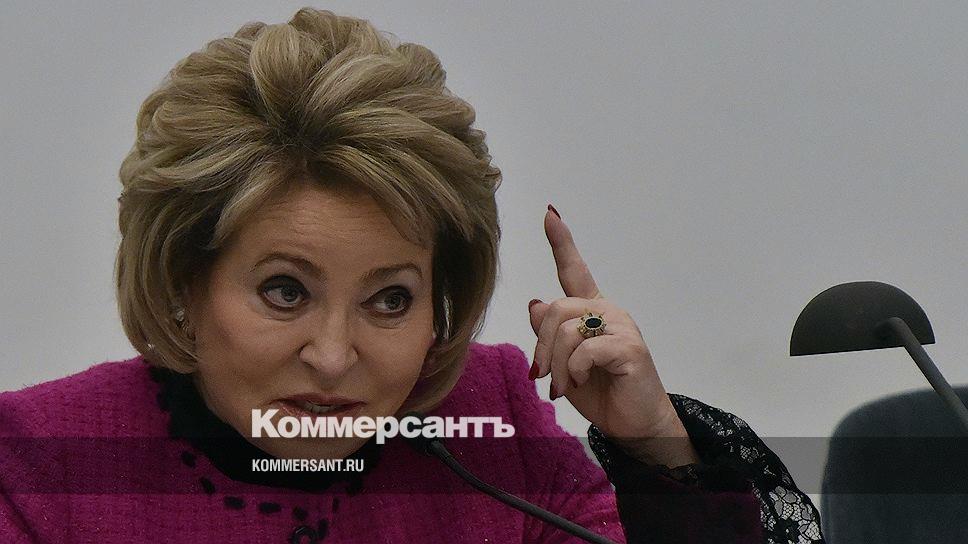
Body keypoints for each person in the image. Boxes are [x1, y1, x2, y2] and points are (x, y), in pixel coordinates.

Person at [0, 7, 823, 543]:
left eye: (390, 299)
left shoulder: (490, 424)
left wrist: (656, 451)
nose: (333, 356)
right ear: (184, 280)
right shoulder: (43, 461)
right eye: (285, 291)